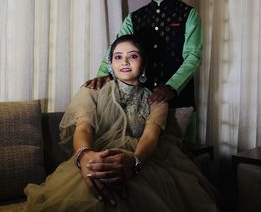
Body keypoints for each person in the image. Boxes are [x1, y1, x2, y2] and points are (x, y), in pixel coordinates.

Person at [24, 35, 218, 211]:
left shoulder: (157, 100)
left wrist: (135, 162)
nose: (124, 61)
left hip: (144, 160)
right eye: (118, 57)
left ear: (144, 63)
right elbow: (84, 128)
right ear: (111, 63)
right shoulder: (92, 90)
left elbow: (151, 136)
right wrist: (85, 157)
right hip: (97, 155)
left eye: (133, 56)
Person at [85, 0, 203, 113]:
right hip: (141, 98)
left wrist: (171, 87)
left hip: (179, 98)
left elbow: (193, 56)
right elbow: (116, 48)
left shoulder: (189, 14)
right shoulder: (134, 18)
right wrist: (103, 74)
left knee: (179, 138)